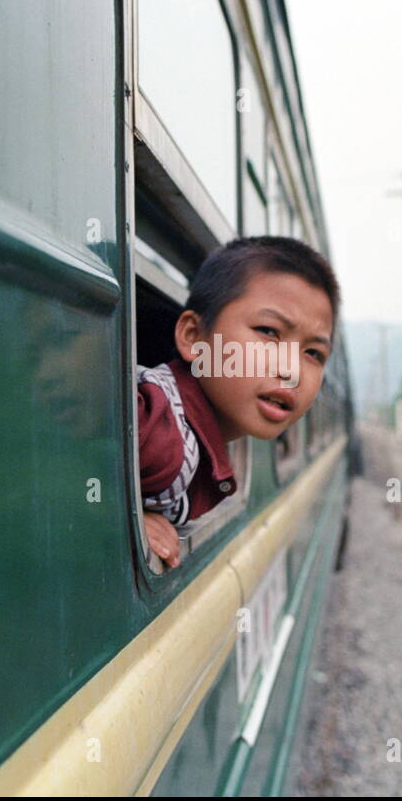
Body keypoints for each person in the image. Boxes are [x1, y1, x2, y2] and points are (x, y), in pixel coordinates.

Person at [138, 236, 341, 570]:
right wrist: (111, 519)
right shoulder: (160, 431)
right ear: (193, 337)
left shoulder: (186, 438)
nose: (290, 371)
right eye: (269, 332)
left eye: (313, 353)